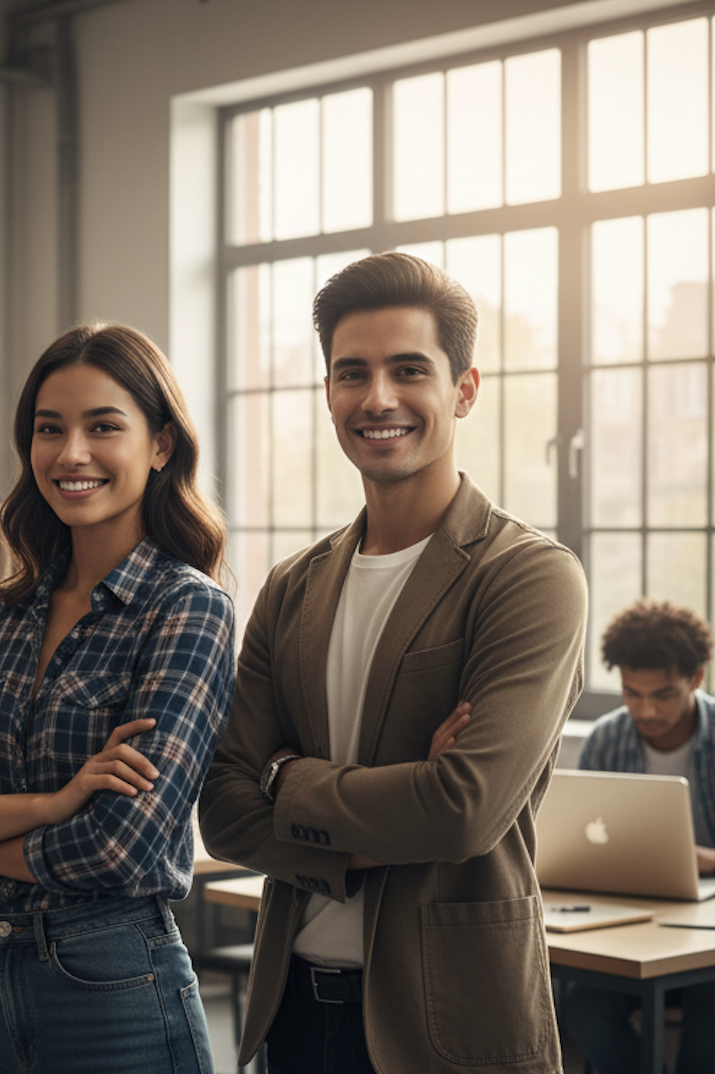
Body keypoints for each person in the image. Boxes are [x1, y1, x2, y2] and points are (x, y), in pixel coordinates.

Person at [198, 251, 587, 1074]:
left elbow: (462, 811)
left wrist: (288, 782)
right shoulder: (292, 585)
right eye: (352, 374)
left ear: (465, 389)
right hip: (295, 1013)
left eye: (409, 370)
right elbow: (225, 812)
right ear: (330, 392)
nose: (378, 398)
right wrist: (391, 797)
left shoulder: (529, 575)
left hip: (449, 1021)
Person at [0, 322, 236, 1074]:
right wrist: (48, 806)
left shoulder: (186, 609)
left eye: (103, 426)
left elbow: (117, 846)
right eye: (50, 429)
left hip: (114, 982)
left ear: (161, 444)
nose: (70, 454)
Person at [562, 599, 715, 1074]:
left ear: (695, 679)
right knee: (582, 1009)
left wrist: (706, 859)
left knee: (709, 1023)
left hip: (707, 937)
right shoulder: (607, 738)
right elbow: (583, 844)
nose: (645, 709)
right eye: (632, 692)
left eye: (663, 694)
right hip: (631, 929)